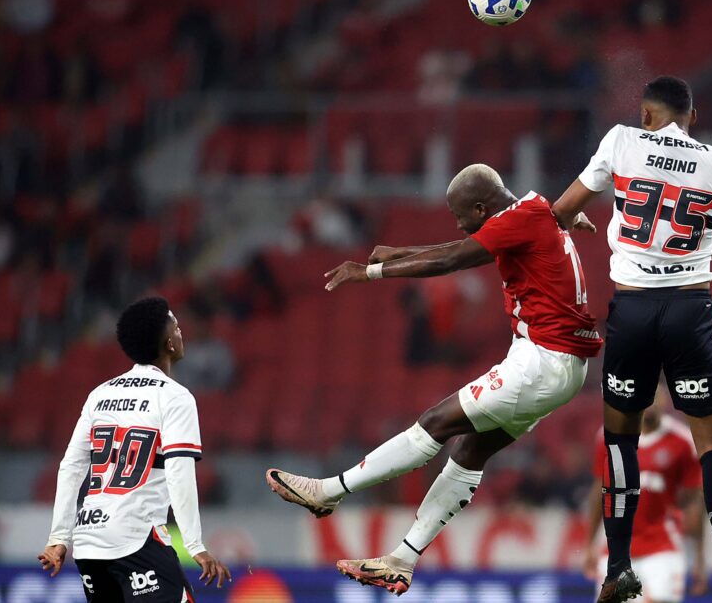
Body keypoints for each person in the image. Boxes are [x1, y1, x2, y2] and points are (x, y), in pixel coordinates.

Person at [266, 164, 602, 596]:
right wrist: (401, 251)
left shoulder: (524, 219)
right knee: (470, 448)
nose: (459, 224)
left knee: (435, 423)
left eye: (462, 215)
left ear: (482, 207)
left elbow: (453, 258)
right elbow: (470, 244)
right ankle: (401, 560)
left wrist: (370, 272)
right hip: (559, 364)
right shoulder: (531, 209)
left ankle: (329, 491)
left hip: (543, 360)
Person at [552, 76, 712, 603]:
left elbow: (562, 209)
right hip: (690, 307)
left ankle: (617, 564)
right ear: (691, 115)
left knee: (619, 439)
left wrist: (575, 215)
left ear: (647, 114)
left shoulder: (621, 141)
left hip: (633, 308)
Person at [38, 297, 231, 601]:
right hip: (136, 539)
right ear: (168, 344)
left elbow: (72, 466)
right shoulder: (176, 398)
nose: (182, 334)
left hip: (89, 542)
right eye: (177, 328)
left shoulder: (100, 395)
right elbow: (179, 472)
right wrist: (195, 545)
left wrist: (59, 537)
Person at [584, 390, 707, 603]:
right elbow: (599, 492)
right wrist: (590, 544)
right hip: (616, 551)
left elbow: (694, 500)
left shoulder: (682, 441)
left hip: (663, 550)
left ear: (666, 399)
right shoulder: (609, 436)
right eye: (647, 390)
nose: (651, 400)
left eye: (656, 394)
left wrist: (699, 558)